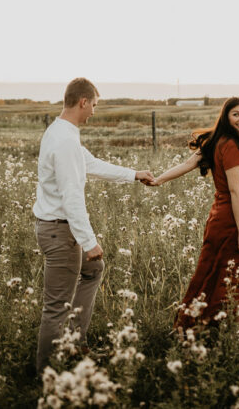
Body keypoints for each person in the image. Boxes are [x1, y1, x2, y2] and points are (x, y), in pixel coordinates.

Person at [32, 77, 155, 373]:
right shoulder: (64, 140)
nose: (94, 112)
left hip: (58, 228)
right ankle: (46, 374)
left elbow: (90, 164)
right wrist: (89, 242)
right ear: (83, 101)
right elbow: (72, 197)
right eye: (95, 106)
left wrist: (134, 174)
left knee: (93, 270)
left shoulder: (62, 132)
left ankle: (75, 342)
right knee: (56, 307)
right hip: (60, 231)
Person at [151, 96, 239, 332]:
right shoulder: (232, 146)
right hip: (233, 219)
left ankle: (194, 325)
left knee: (211, 272)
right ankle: (236, 336)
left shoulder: (217, 141)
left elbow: (185, 165)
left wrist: (159, 179)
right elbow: (235, 192)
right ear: (226, 116)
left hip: (218, 217)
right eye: (236, 114)